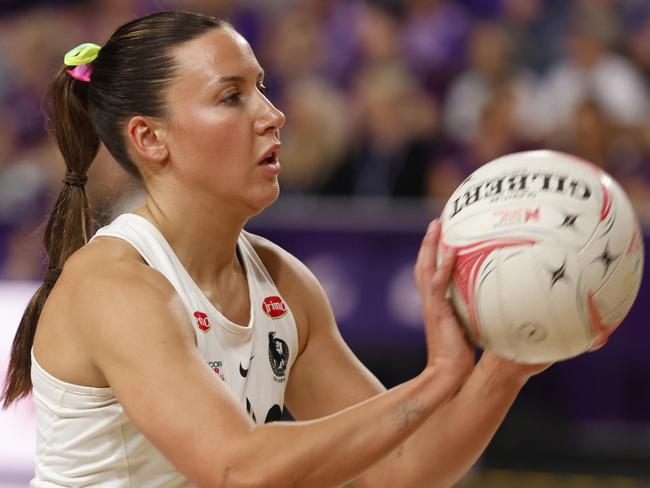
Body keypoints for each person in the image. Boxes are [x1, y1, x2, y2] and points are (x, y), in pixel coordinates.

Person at [2, 11, 547, 487]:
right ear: (149, 138)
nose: (272, 114)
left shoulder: (282, 281)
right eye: (231, 96)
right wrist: (438, 378)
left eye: (261, 88)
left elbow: (401, 469)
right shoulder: (115, 283)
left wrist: (504, 365)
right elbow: (237, 469)